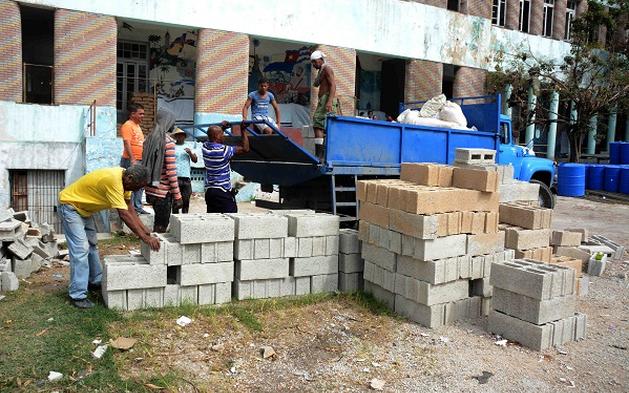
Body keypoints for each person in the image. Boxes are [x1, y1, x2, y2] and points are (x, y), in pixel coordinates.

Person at [58, 165, 160, 309]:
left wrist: (146, 231)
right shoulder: (113, 181)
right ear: (129, 179)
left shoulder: (125, 181)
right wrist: (144, 238)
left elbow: (129, 208)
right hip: (70, 206)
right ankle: (77, 295)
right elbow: (123, 214)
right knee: (81, 249)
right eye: (137, 187)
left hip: (85, 209)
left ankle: (95, 280)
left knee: (92, 245)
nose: (137, 190)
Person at [142, 108, 183, 232]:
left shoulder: (149, 138)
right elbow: (171, 171)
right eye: (172, 122)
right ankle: (156, 249)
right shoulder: (168, 142)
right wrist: (177, 195)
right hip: (162, 192)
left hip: (150, 189)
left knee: (157, 224)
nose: (173, 125)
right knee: (161, 226)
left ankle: (153, 249)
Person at [202, 122, 250, 213]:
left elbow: (213, 138)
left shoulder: (205, 147)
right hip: (222, 192)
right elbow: (245, 148)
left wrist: (222, 129)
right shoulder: (224, 150)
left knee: (213, 220)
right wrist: (243, 130)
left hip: (210, 191)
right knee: (230, 219)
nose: (223, 136)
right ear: (217, 136)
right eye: (222, 134)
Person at [119, 103, 149, 214]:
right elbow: (127, 143)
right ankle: (131, 209)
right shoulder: (128, 125)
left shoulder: (137, 126)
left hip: (139, 160)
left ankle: (137, 207)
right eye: (140, 114)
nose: (142, 116)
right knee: (130, 184)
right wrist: (132, 159)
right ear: (132, 114)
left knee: (140, 184)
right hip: (130, 160)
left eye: (143, 114)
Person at [310, 50, 338, 160]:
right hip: (323, 99)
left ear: (321, 60)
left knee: (317, 122)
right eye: (312, 62)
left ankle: (319, 155)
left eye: (315, 62)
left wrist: (329, 101)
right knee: (323, 125)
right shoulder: (322, 70)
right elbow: (316, 83)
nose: (313, 64)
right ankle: (321, 154)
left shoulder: (327, 68)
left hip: (327, 98)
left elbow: (333, 85)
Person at [171, 127, 197, 214]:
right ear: (176, 137)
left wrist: (190, 153)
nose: (180, 137)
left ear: (184, 137)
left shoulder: (188, 147)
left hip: (186, 177)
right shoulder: (172, 147)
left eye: (182, 135)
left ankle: (184, 221)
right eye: (178, 135)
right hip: (175, 177)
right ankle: (175, 221)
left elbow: (195, 160)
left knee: (186, 201)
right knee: (175, 202)